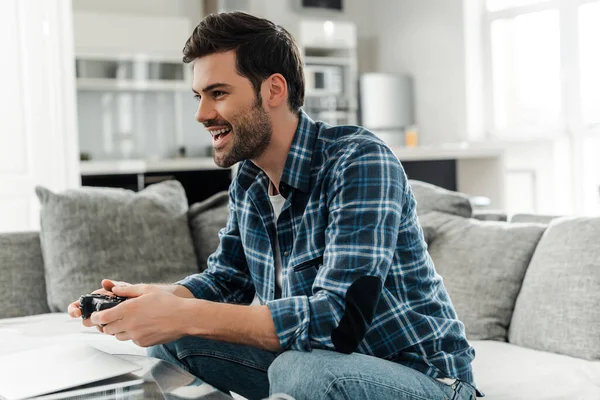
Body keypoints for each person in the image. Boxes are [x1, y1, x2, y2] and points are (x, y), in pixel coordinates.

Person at [68, 11, 481, 400]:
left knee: (299, 371)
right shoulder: (249, 179)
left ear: (273, 90)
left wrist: (181, 314)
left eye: (218, 93)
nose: (201, 113)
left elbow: (338, 323)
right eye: (199, 95)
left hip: (425, 379)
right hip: (323, 364)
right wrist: (151, 302)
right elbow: (226, 281)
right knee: (172, 342)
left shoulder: (358, 161)